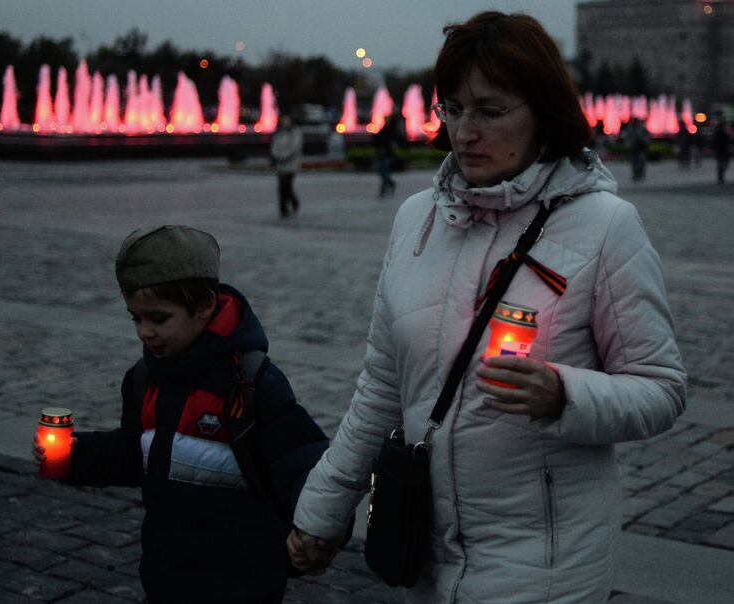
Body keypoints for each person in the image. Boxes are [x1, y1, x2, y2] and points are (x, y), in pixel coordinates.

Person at [287, 11, 686, 604]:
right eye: (452, 109)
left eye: (491, 111)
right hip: (426, 554)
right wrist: (323, 506)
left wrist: (565, 395)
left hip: (549, 568)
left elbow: (661, 389)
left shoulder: (606, 227)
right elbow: (380, 385)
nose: (465, 130)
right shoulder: (415, 219)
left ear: (544, 114)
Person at [33, 225, 329, 603]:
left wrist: (317, 527)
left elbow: (304, 457)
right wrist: (74, 457)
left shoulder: (252, 385)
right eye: (135, 319)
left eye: (159, 318)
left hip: (243, 586)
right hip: (165, 580)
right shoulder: (144, 381)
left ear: (204, 306)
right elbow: (135, 454)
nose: (145, 332)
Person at [270, 115, 303, 217]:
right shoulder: (280, 133)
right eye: (284, 120)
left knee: (287, 186)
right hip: (280, 164)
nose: (285, 122)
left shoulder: (296, 133)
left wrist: (284, 156)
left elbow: (295, 147)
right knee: (281, 187)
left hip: (291, 164)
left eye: (287, 120)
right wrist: (276, 156)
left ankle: (294, 202)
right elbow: (274, 145)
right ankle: (283, 209)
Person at [373, 114, 401, 198]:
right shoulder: (384, 129)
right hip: (382, 154)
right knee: (381, 171)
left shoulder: (392, 130)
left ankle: (384, 188)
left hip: (388, 154)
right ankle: (390, 183)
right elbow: (376, 139)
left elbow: (397, 140)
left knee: (384, 170)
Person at [627, 117, 650, 181]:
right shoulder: (631, 128)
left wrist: (645, 142)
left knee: (641, 162)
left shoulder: (641, 128)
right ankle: (636, 175)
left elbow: (647, 136)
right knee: (635, 162)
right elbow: (628, 138)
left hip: (640, 148)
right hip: (634, 148)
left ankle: (641, 174)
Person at [711, 116, 731, 185]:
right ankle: (721, 177)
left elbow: (713, 141)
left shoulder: (718, 132)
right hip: (723, 150)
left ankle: (720, 176)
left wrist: (713, 148)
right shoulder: (722, 132)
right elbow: (728, 140)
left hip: (720, 150)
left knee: (721, 163)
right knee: (724, 163)